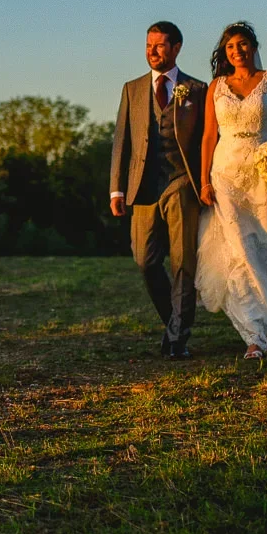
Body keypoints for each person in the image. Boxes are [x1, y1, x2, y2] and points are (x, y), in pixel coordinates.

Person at [195, 21, 267, 358]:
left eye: (242, 44)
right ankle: (254, 333)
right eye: (230, 47)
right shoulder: (217, 87)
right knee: (238, 248)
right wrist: (204, 179)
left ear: (253, 46)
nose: (236, 51)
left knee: (266, 246)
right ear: (224, 53)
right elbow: (209, 136)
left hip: (264, 175)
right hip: (225, 174)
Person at [109, 21, 209, 359]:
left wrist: (207, 182)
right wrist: (116, 190)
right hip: (142, 186)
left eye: (160, 45)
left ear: (177, 48)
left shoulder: (196, 89)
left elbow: (207, 141)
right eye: (148, 45)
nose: (152, 51)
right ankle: (174, 324)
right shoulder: (132, 89)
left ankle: (178, 338)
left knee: (183, 263)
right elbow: (121, 140)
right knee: (145, 260)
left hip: (182, 182)